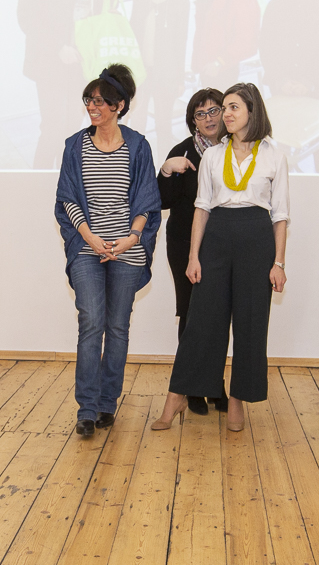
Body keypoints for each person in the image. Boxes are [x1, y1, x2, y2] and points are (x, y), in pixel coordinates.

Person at [153, 83, 289, 433]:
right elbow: (201, 208)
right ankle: (177, 396)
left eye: (232, 107)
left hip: (257, 238)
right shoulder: (213, 155)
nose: (225, 114)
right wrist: (193, 256)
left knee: (251, 322)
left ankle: (237, 400)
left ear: (252, 112)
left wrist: (279, 263)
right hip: (216, 236)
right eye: (224, 108)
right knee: (201, 321)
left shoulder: (274, 154)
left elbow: (280, 214)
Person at [55, 64, 161, 437]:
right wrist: (89, 237)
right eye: (89, 99)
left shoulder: (138, 146)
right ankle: (86, 409)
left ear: (119, 105)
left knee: (117, 327)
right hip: (88, 247)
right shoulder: (75, 145)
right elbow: (68, 199)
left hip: (127, 249)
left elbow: (147, 201)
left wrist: (131, 239)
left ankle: (106, 404)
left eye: (99, 101)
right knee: (91, 322)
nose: (91, 106)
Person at [18, 0, 110, 169]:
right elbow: (26, 13)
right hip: (51, 60)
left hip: (82, 63)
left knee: (72, 129)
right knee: (53, 128)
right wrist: (58, 47)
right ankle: (37, 183)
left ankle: (61, 182)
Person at [157, 88, 226, 416]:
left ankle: (215, 385)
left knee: (219, 315)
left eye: (214, 111)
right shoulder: (182, 151)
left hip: (225, 245)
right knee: (191, 314)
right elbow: (162, 201)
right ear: (192, 121)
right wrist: (167, 171)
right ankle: (192, 387)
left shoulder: (237, 149)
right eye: (201, 114)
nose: (209, 118)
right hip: (185, 246)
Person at [130, 0, 190, 151]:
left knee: (163, 125)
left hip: (167, 74)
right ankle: (136, 167)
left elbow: (181, 43)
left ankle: (164, 168)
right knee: (136, 124)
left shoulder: (180, 1)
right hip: (140, 72)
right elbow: (132, 37)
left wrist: (180, 78)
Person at [191, 0, 261, 91]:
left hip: (224, 68)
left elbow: (246, 39)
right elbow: (202, 31)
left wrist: (219, 63)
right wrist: (197, 62)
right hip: (205, 67)